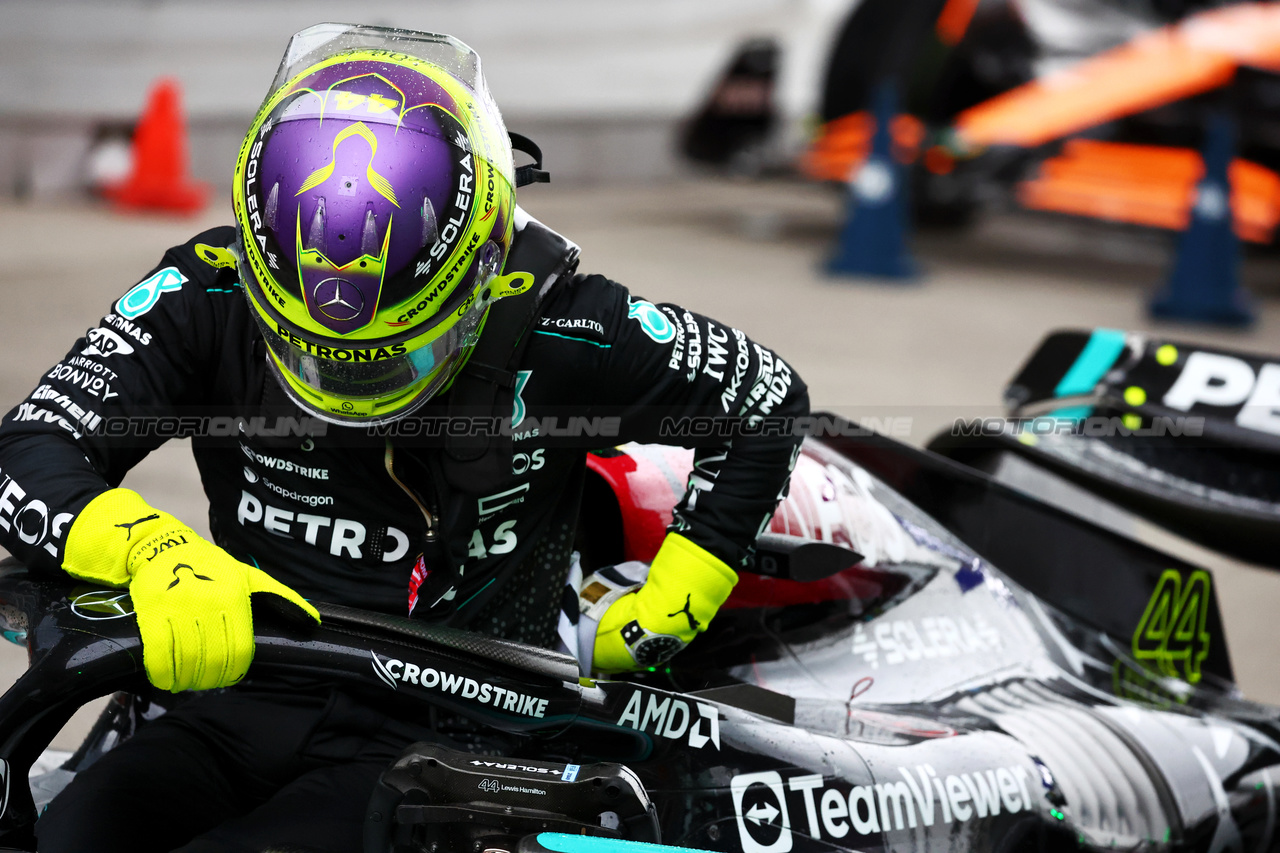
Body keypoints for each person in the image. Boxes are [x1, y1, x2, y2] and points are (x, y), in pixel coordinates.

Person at [0, 24, 809, 852]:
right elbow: (29, 444)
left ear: (483, 262)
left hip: (464, 724)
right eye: (312, 350)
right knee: (67, 839)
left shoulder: (568, 324)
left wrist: (676, 599)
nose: (346, 382)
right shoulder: (206, 289)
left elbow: (766, 399)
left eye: (389, 353)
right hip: (247, 690)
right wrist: (147, 549)